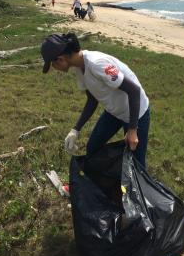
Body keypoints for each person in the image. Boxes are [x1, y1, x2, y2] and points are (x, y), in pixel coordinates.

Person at [41, 33, 150, 168]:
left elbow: (134, 90)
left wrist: (133, 130)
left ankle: (136, 184)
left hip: (136, 112)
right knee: (93, 148)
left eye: (52, 64)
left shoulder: (97, 64)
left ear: (60, 59)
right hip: (114, 112)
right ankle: (107, 179)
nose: (53, 67)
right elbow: (92, 100)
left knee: (137, 163)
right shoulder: (78, 67)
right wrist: (76, 130)